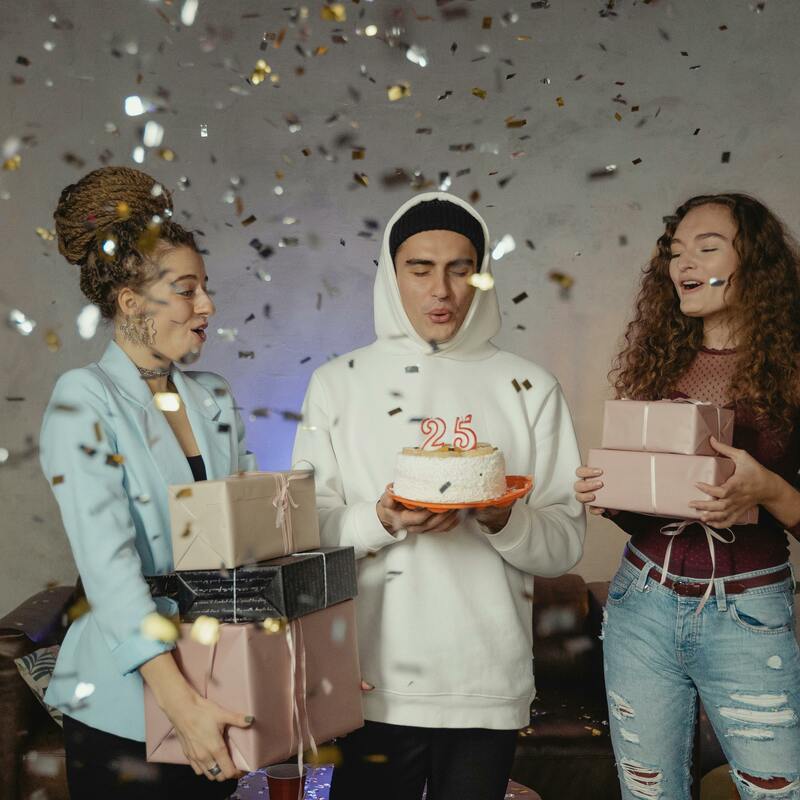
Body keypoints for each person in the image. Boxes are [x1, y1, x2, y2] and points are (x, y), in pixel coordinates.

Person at [293, 192, 585, 800]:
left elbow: (563, 546)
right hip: (373, 680)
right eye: (420, 269)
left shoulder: (529, 386)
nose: (442, 291)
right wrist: (381, 519)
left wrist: (505, 519)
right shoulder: (337, 384)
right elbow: (305, 531)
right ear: (390, 275)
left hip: (486, 681)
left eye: (460, 268)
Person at [574, 193, 800, 798]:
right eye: (676, 252)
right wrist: (612, 494)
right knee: (648, 792)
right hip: (640, 604)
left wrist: (769, 488)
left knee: (778, 790)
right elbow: (656, 511)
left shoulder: (793, 371)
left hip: (747, 611)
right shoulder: (659, 363)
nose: (684, 264)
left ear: (756, 262)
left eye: (707, 248)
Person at [41, 166, 256, 799]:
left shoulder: (214, 396)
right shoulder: (82, 398)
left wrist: (300, 657)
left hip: (217, 680)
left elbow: (251, 542)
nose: (207, 306)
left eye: (205, 288)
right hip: (125, 701)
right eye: (187, 290)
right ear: (131, 302)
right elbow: (108, 568)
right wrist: (179, 704)